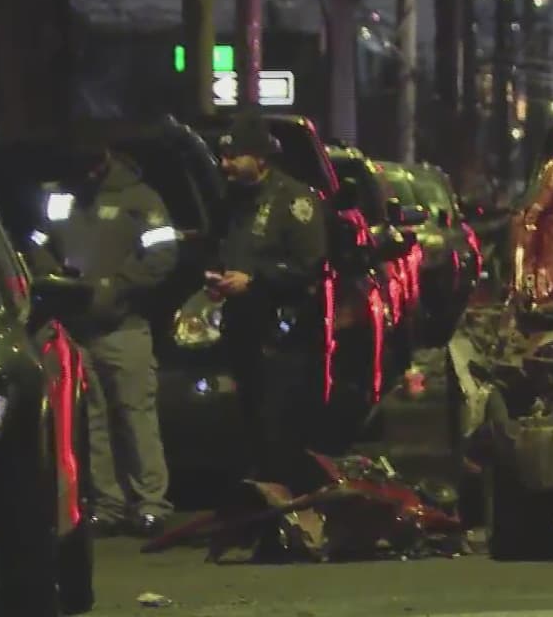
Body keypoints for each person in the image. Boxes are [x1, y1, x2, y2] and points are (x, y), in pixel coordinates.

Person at [28, 131, 179, 537]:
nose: (88, 177)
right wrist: (51, 274)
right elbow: (36, 240)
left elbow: (164, 253)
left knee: (135, 415)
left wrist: (118, 285)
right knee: (91, 419)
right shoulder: (59, 195)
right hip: (75, 329)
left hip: (123, 326)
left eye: (94, 168)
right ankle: (108, 504)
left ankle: (150, 503)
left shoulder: (139, 197)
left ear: (106, 159)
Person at [208, 108, 329, 489]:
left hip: (284, 335)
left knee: (281, 427)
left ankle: (290, 506)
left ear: (259, 158)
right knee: (250, 424)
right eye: (222, 156)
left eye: (233, 156)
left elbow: (309, 264)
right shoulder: (231, 202)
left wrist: (256, 281)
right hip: (243, 329)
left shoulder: (294, 201)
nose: (225, 164)